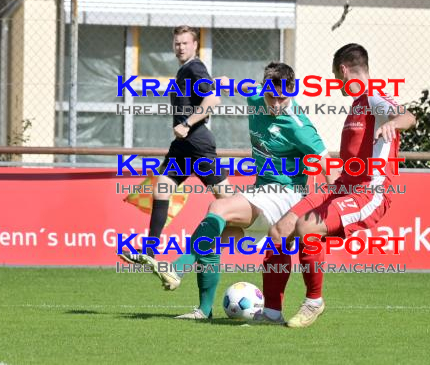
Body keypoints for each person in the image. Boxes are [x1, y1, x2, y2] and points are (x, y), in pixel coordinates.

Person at [157, 62, 338, 320]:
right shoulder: (254, 97)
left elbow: (326, 162)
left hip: (286, 193)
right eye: (271, 96)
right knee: (213, 236)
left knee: (218, 208)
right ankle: (205, 311)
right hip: (262, 190)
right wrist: (213, 81)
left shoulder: (298, 125)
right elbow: (230, 83)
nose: (276, 104)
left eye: (283, 98)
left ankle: (177, 268)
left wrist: (335, 205)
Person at [262, 43, 417, 328]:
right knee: (279, 230)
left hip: (369, 193)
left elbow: (408, 116)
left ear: (344, 71)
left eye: (336, 77)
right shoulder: (357, 105)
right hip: (343, 187)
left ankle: (314, 301)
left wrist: (394, 124)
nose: (336, 83)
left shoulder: (373, 97)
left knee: (307, 228)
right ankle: (270, 314)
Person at [118, 25, 233, 270]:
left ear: (195, 45)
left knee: (228, 202)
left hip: (198, 144)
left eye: (185, 43)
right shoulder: (185, 70)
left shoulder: (194, 67)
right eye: (177, 43)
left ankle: (263, 230)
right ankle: (149, 252)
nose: (180, 47)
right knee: (161, 187)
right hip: (182, 147)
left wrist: (187, 123)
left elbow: (213, 98)